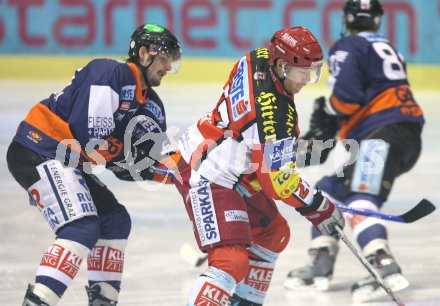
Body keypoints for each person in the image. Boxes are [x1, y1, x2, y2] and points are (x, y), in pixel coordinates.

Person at [7, 23, 181, 306]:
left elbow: (156, 159)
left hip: (68, 159)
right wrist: (133, 160)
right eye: (164, 56)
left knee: (114, 221)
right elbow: (92, 142)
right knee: (81, 228)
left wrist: (186, 174)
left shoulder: (152, 105)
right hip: (40, 148)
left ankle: (102, 301)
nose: (169, 64)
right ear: (143, 53)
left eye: (172, 58)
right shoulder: (110, 73)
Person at [172, 25, 345, 306]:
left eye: (313, 72)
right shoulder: (275, 115)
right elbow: (277, 183)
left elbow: (256, 143)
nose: (307, 80)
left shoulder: (255, 57)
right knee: (231, 261)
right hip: (205, 172)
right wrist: (318, 206)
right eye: (302, 72)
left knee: (273, 233)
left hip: (219, 157)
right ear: (280, 64)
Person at [283, 0, 424, 302]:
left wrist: (327, 111)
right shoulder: (387, 47)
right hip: (399, 134)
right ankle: (319, 262)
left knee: (361, 194)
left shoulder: (348, 45)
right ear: (376, 20)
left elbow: (347, 99)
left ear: (347, 19)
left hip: (381, 136)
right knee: (330, 190)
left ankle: (383, 266)